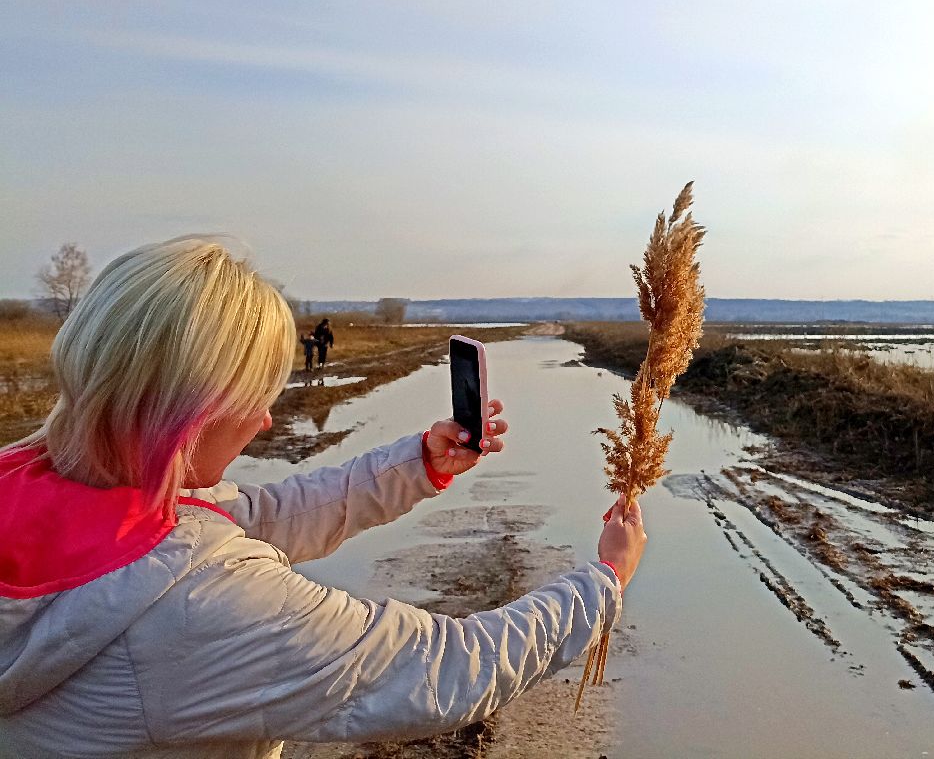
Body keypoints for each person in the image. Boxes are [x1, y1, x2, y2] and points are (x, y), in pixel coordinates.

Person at [0, 237, 645, 759]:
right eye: (253, 398)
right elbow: (442, 669)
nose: (265, 423)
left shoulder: (51, 486)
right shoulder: (200, 607)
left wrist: (419, 464)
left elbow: (259, 516)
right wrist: (604, 579)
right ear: (189, 412)